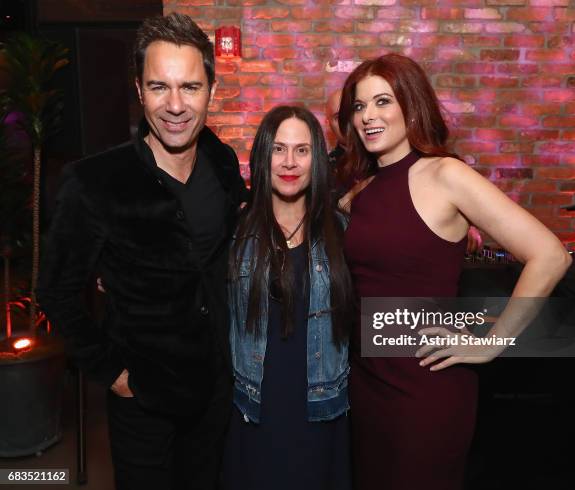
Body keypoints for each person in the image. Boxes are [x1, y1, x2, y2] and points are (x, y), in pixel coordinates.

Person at [337, 53, 572, 490]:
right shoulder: (357, 194)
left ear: (412, 104)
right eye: (359, 105)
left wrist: (492, 343)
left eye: (383, 101)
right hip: (366, 386)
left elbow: (550, 255)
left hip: (426, 388)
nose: (369, 115)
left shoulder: (446, 175)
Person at [37, 13, 247, 490]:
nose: (175, 105)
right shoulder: (94, 183)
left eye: (190, 87)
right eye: (159, 86)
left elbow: (221, 256)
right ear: (138, 89)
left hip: (216, 389)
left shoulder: (222, 161)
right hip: (143, 399)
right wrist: (114, 373)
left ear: (211, 89)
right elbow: (56, 291)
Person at [223, 106, 353, 490]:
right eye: (279, 149)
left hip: (321, 404)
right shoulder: (235, 230)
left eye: (302, 150)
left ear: (318, 159)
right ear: (263, 156)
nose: (290, 162)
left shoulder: (343, 231)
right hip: (255, 405)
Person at [326, 88, 483, 253]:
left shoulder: (412, 164)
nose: (349, 122)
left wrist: (463, 220)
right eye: (339, 117)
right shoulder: (326, 169)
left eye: (354, 111)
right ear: (328, 123)